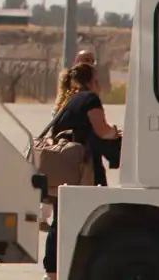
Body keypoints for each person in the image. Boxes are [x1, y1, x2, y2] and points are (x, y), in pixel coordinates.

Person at [41, 61, 121, 278]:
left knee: (59, 222)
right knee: (92, 220)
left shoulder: (69, 100)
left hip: (64, 170)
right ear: (93, 80)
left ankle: (52, 271)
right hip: (83, 170)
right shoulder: (90, 99)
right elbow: (101, 130)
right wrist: (116, 133)